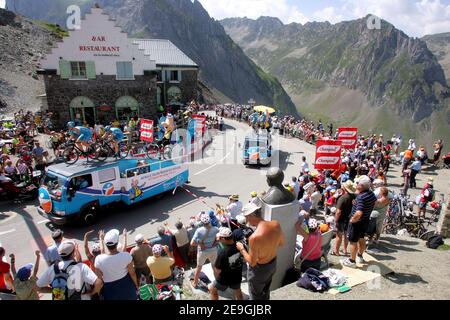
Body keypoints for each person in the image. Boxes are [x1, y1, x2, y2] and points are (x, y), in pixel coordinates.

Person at [237, 203, 285, 300]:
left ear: (251, 216)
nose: (246, 220)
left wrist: (241, 249)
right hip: (272, 265)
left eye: (247, 217)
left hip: (259, 270)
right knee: (266, 290)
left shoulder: (254, 237)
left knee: (255, 295)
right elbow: (281, 243)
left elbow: (252, 262)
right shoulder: (276, 224)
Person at [37, 240, 102, 300]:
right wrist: (91, 293)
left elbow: (37, 287)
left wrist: (58, 290)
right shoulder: (81, 267)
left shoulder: (53, 268)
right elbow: (99, 283)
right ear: (73, 253)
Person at [341, 176, 377, 268]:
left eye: (358, 184)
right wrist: (357, 203)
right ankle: (360, 256)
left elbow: (359, 212)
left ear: (361, 186)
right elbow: (374, 203)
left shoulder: (361, 197)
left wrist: (352, 220)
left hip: (357, 222)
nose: (356, 185)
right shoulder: (371, 194)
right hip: (365, 220)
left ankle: (352, 261)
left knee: (353, 241)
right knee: (361, 238)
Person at [94, 229, 138, 300]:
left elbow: (99, 279)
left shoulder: (99, 259)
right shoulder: (126, 256)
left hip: (110, 289)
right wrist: (136, 285)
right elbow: (132, 273)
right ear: (117, 243)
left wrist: (101, 239)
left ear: (106, 245)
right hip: (126, 286)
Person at [210, 227, 243, 300]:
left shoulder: (222, 253)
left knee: (212, 290)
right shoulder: (240, 246)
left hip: (224, 278)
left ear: (223, 239)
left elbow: (217, 270)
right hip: (237, 276)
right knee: (238, 292)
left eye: (220, 238)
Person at [190, 213, 219, 288]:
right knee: (214, 266)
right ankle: (218, 283)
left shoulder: (199, 230)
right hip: (213, 250)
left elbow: (192, 243)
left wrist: (200, 245)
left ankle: (195, 283)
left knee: (199, 267)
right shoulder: (216, 229)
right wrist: (214, 244)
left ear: (202, 222)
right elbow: (218, 239)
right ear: (209, 221)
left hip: (202, 252)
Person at [332, 180, 356, 256]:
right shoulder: (354, 197)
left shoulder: (342, 198)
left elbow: (338, 212)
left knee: (339, 235)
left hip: (341, 219)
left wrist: (335, 220)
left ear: (345, 188)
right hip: (349, 219)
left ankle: (337, 251)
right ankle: (345, 250)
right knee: (346, 236)